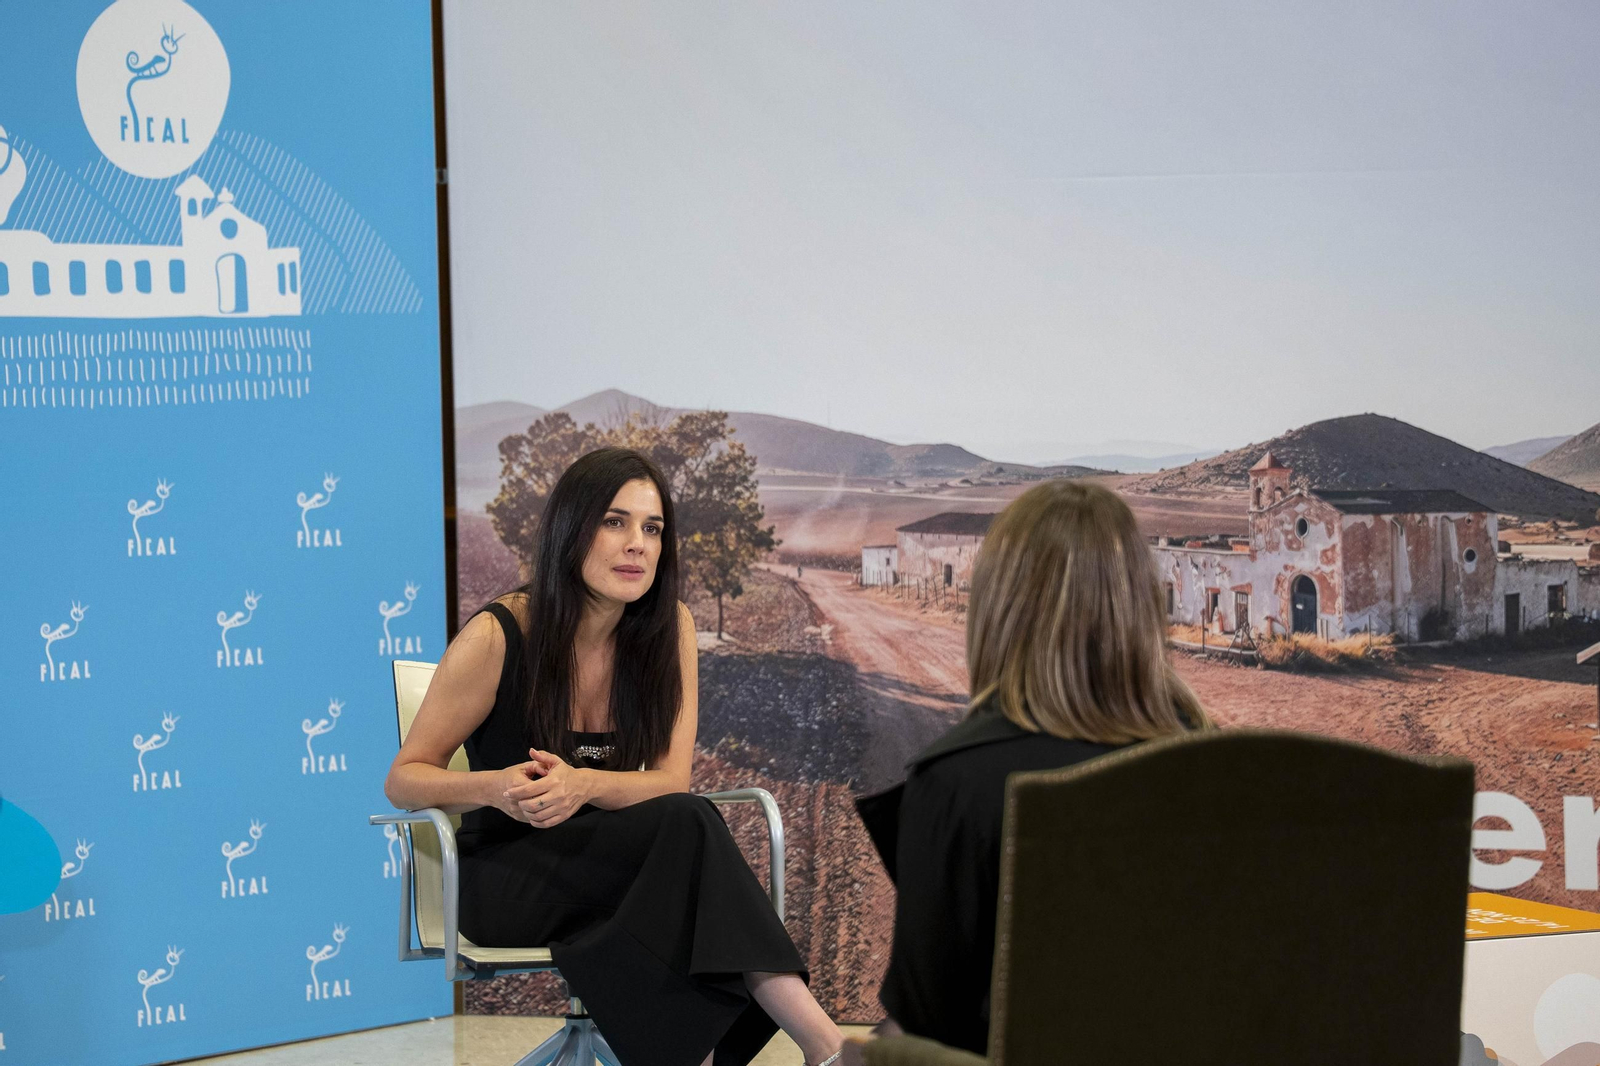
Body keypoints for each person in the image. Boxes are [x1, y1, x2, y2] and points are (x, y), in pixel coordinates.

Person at [385, 448, 844, 1066]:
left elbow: (671, 780)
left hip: (626, 877)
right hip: (511, 877)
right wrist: (493, 787)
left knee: (682, 832)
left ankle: (713, 1055)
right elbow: (404, 779)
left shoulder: (669, 632)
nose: (638, 545)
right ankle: (826, 1046)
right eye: (614, 522)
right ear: (571, 529)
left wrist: (583, 785)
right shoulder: (500, 634)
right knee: (688, 837)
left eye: (652, 529)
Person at [849, 480, 1211, 1059]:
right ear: (1141, 604)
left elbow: (928, 1029)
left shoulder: (957, 787)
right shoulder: (1220, 768)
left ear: (998, 610)